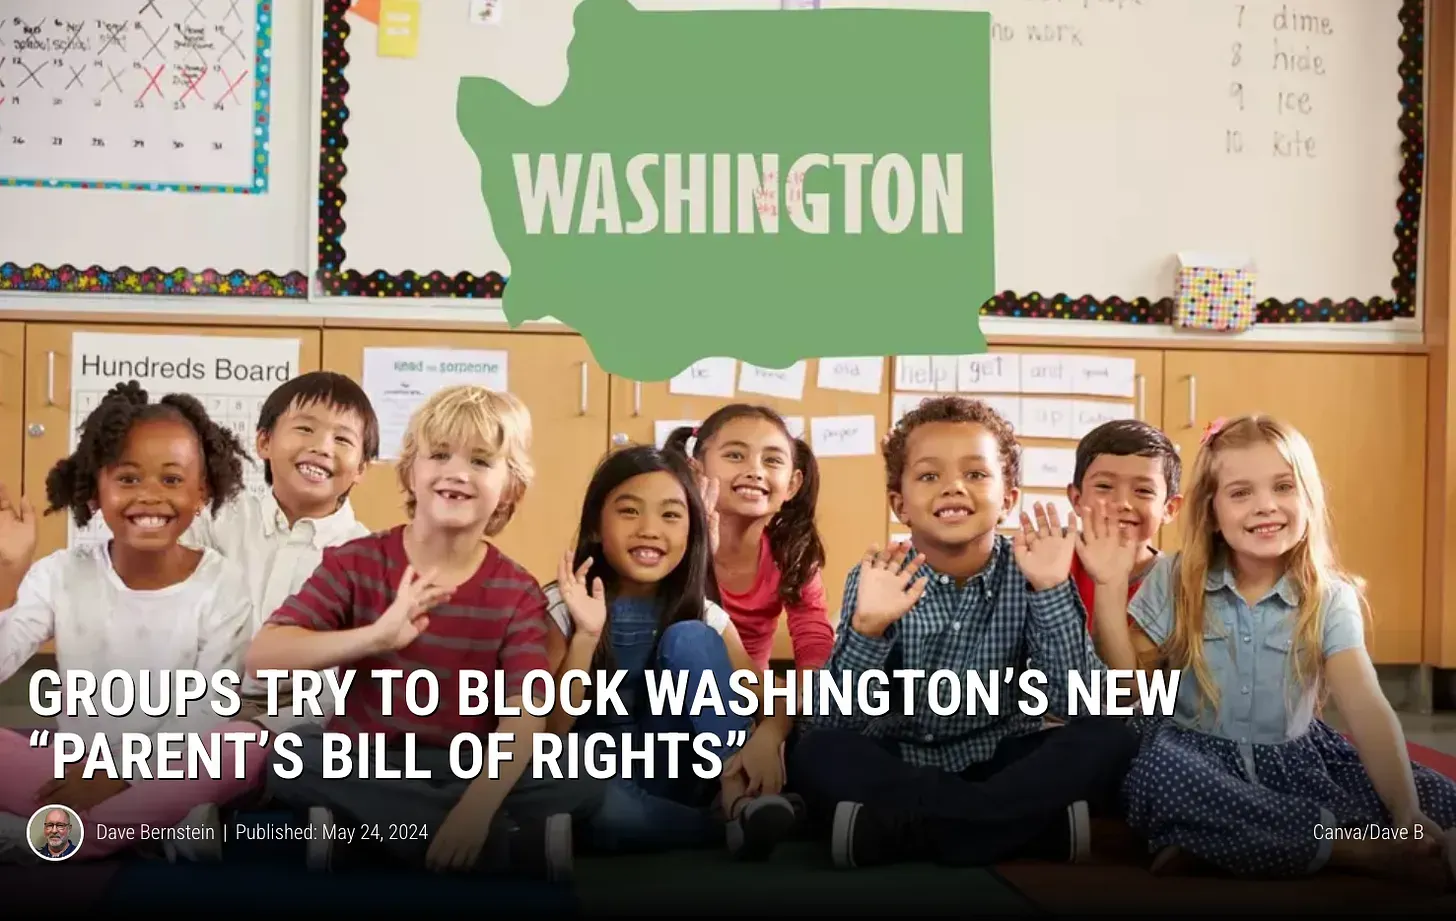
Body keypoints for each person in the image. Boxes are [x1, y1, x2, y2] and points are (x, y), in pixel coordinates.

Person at [1080, 414, 1456, 886]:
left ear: (1309, 499)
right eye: (1240, 493)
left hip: (1294, 763)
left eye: (1283, 487)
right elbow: (1127, 692)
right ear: (1212, 513)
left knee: (1436, 796)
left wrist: (1407, 812)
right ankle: (1350, 849)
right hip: (1195, 761)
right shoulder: (1174, 579)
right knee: (1157, 775)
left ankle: (1221, 844)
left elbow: (1366, 707)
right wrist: (1111, 588)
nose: (1265, 507)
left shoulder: (1330, 597)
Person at [246, 384, 603, 881]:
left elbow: (526, 717)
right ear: (411, 472)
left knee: (582, 773)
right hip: (366, 760)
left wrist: (474, 809)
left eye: (481, 461)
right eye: (439, 455)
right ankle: (498, 846)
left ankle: (367, 839)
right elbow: (262, 658)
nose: (456, 472)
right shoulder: (355, 561)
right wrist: (375, 637)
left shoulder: (517, 591)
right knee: (293, 757)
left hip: (467, 765)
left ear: (511, 488)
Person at [786, 395, 1139, 869]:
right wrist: (868, 629)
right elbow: (831, 721)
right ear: (900, 503)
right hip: (898, 759)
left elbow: (1081, 705)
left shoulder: (1034, 568)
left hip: (1002, 758)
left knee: (1112, 735)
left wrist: (1051, 588)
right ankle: (1021, 831)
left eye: (975, 474)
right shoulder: (877, 575)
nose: (953, 488)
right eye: (929, 476)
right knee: (818, 751)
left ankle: (904, 830)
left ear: (1008, 498)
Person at [0, 382, 264, 863]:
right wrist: (7, 577)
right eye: (127, 479)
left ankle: (45, 838)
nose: (149, 496)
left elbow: (205, 712)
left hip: (169, 764)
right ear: (94, 491)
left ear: (201, 492)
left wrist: (117, 773)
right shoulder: (60, 572)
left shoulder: (222, 584)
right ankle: (150, 831)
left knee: (242, 745)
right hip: (69, 766)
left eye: (170, 480)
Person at [543, 445, 798, 860]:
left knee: (691, 637)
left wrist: (768, 735)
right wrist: (587, 636)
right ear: (596, 525)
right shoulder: (560, 606)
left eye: (671, 515)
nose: (649, 529)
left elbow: (773, 699)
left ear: (693, 531)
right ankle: (726, 829)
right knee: (591, 803)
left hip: (675, 770)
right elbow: (549, 731)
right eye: (628, 511)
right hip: (596, 779)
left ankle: (736, 798)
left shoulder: (703, 612)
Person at [182, 371, 379, 730]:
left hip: (299, 721)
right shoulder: (218, 518)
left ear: (362, 468)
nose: (322, 446)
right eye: (305, 429)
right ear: (264, 442)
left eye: (342, 438)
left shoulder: (367, 558)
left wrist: (266, 728)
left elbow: (347, 682)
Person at [664, 405, 834, 672]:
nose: (755, 470)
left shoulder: (790, 552)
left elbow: (811, 631)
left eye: (772, 460)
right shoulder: (672, 543)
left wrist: (808, 689)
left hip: (753, 697)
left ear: (792, 484)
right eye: (735, 455)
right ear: (695, 472)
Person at [1067, 419, 1182, 623]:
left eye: (1143, 490)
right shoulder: (1055, 561)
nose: (1123, 503)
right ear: (1077, 499)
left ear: (1169, 508)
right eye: (1104, 486)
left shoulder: (1174, 583)